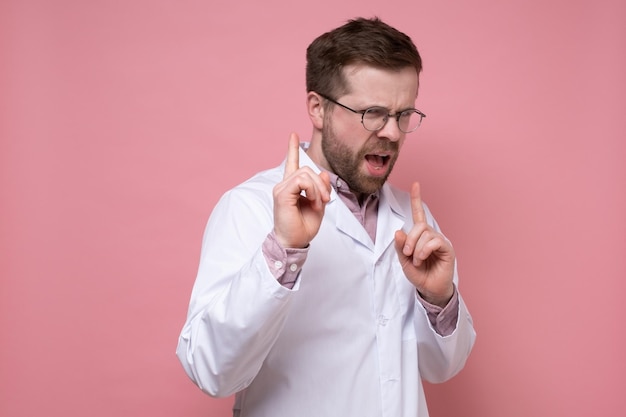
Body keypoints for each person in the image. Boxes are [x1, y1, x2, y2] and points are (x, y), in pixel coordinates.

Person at [177, 17, 476, 417]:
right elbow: (210, 370)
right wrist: (284, 251)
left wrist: (439, 299)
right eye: (373, 113)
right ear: (318, 108)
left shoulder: (412, 219)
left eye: (404, 114)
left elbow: (442, 368)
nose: (391, 132)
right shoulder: (249, 208)